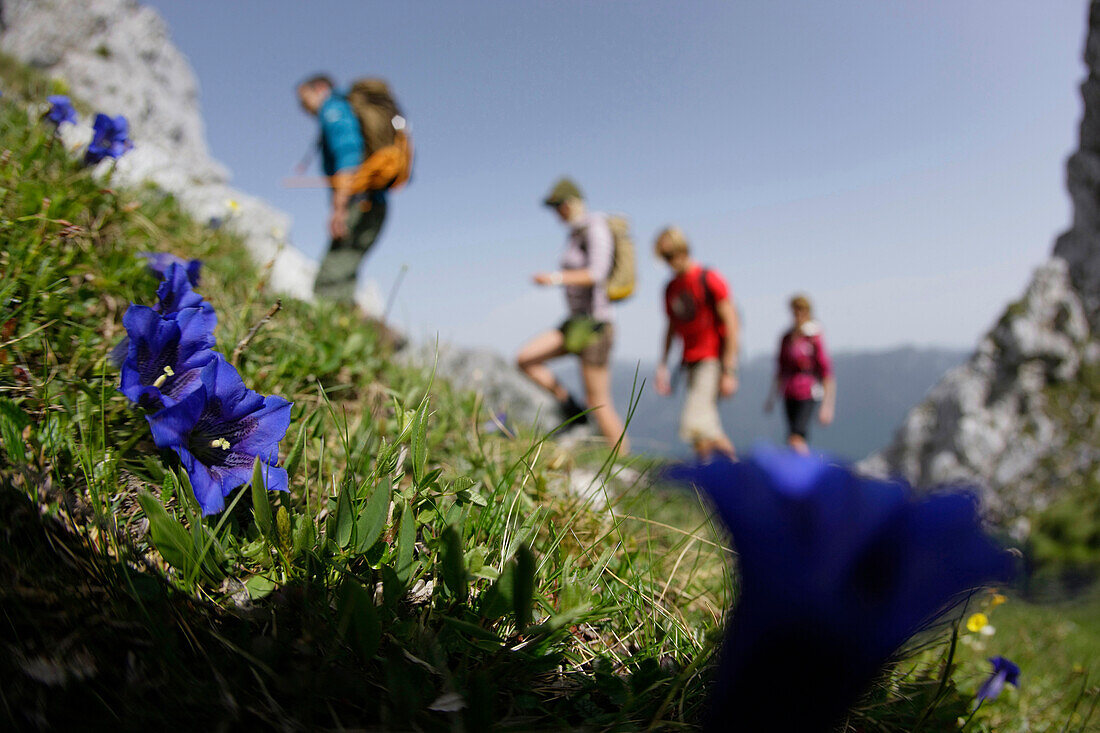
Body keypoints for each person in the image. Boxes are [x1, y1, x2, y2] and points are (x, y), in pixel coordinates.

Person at [515, 178, 630, 453]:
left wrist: (554, 278)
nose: (557, 213)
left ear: (570, 204)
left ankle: (624, 464)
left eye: (559, 206)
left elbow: (596, 273)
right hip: (574, 323)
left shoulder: (596, 228)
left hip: (595, 326)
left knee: (599, 402)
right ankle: (570, 407)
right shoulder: (576, 233)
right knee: (525, 359)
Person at [296, 74, 386, 305]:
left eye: (304, 98)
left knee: (330, 280)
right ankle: (348, 330)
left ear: (320, 89)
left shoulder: (332, 108)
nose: (303, 107)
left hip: (359, 202)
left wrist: (339, 208)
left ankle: (329, 330)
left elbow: (348, 153)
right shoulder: (344, 109)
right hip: (371, 202)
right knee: (344, 271)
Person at [653, 227, 740, 460]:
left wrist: (730, 370)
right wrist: (662, 365)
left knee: (694, 422)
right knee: (704, 431)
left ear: (683, 250)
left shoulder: (709, 278)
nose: (669, 262)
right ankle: (717, 483)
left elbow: (732, 325)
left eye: (671, 255)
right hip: (689, 361)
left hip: (712, 359)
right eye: (665, 258)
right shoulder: (670, 288)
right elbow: (670, 328)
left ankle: (738, 479)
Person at [764, 294, 836, 454]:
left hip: (808, 392)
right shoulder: (786, 338)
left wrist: (827, 405)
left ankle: (802, 471)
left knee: (796, 437)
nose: (797, 315)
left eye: (801, 311)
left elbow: (826, 371)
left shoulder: (813, 337)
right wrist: (771, 398)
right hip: (789, 392)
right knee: (794, 436)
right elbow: (780, 369)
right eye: (795, 311)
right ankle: (800, 470)